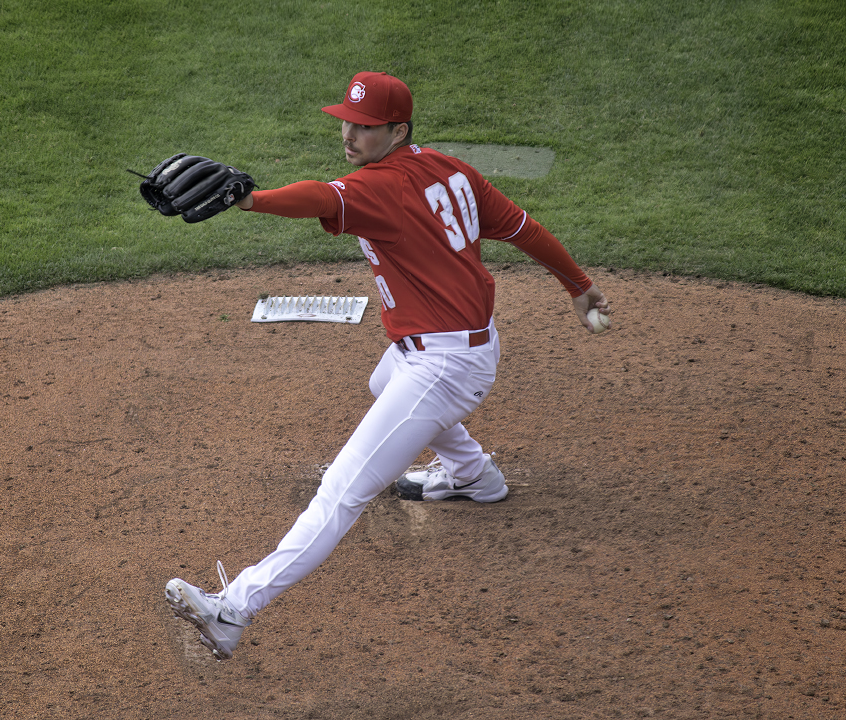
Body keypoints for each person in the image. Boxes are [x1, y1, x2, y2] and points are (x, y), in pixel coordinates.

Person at [164, 71, 611, 660]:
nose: (349, 135)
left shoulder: (380, 189)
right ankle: (475, 476)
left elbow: (323, 198)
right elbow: (523, 229)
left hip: (444, 365)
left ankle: (235, 609)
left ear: (398, 130)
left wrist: (251, 199)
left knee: (341, 492)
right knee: (382, 380)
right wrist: (577, 285)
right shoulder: (453, 172)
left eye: (366, 127)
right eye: (345, 121)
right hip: (455, 348)